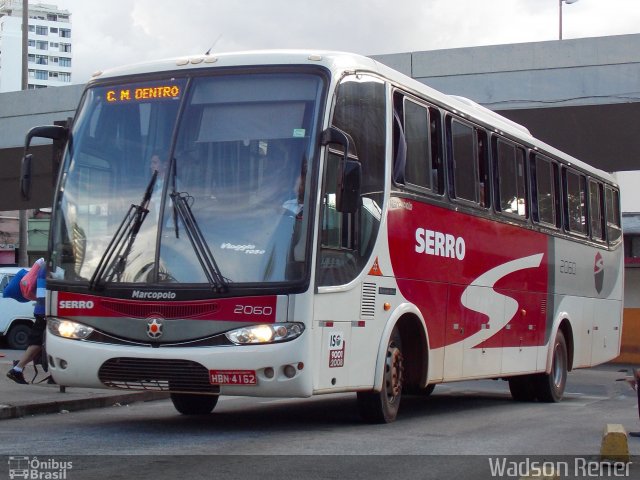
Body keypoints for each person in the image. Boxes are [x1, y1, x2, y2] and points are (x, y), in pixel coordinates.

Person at [6, 258, 47, 385]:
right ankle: (17, 368)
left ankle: (18, 367)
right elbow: (42, 294)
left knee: (40, 342)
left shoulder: (44, 266)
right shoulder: (46, 268)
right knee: (37, 342)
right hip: (45, 311)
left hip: (43, 310)